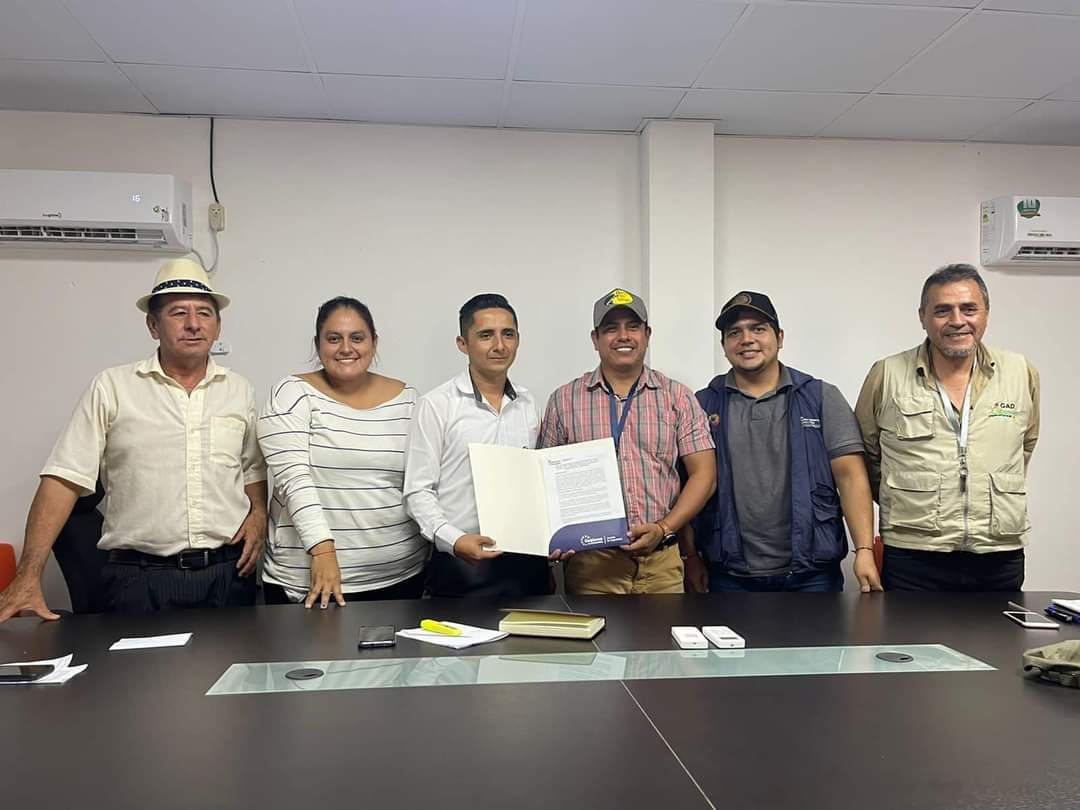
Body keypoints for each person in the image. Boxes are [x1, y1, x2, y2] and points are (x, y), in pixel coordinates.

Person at [0, 258, 267, 621]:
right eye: (178, 313)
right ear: (153, 325)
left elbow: (251, 468)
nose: (193, 324)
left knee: (232, 660)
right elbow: (63, 479)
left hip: (228, 576)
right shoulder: (112, 387)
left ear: (217, 326)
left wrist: (259, 514)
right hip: (139, 582)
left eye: (204, 313)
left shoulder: (239, 390)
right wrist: (28, 576)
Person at [855, 263, 1040, 591]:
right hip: (913, 552)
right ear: (922, 317)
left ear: (986, 313)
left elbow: (1024, 444)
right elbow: (865, 454)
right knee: (907, 629)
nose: (957, 320)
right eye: (942, 310)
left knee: (997, 629)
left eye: (969, 309)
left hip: (999, 552)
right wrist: (909, 498)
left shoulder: (1020, 371)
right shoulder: (887, 373)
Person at [692, 291, 881, 594]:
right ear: (724, 346)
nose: (747, 339)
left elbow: (850, 477)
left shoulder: (820, 397)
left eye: (758, 329)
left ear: (779, 338)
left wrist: (865, 550)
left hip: (812, 578)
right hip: (729, 576)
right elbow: (687, 486)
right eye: (734, 333)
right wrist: (690, 557)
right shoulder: (702, 405)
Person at [538, 288, 715, 595]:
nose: (623, 336)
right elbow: (543, 483)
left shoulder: (678, 397)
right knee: (597, 630)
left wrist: (663, 528)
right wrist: (554, 540)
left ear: (647, 335)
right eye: (611, 328)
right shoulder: (565, 400)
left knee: (665, 630)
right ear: (595, 339)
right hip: (593, 566)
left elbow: (705, 475)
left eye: (633, 327)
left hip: (663, 562)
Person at [257, 297, 426, 608]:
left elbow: (421, 481)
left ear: (374, 343)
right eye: (334, 338)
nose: (346, 348)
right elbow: (294, 481)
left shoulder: (408, 398)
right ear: (318, 344)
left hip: (402, 577)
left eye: (357, 338)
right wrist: (322, 551)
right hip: (313, 582)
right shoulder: (292, 394)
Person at [403, 293, 549, 597]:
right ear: (462, 343)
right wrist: (454, 540)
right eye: (486, 335)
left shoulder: (527, 403)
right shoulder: (436, 405)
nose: (499, 345)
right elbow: (417, 491)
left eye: (508, 334)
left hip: (528, 562)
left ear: (518, 340)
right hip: (462, 563)